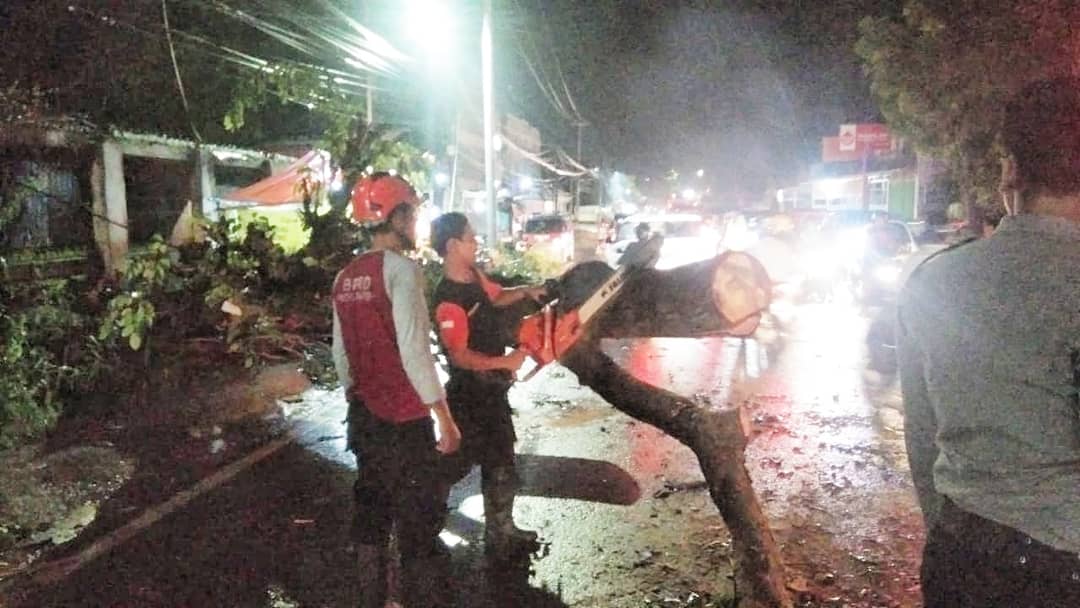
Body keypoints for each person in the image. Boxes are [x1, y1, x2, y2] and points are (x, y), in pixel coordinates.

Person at [897, 77, 1080, 608]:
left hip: (967, 562)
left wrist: (948, 539)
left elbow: (922, 439)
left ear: (1012, 169)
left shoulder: (933, 283)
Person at [331, 173, 461, 608]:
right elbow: (415, 352)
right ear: (396, 215)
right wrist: (442, 416)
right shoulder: (402, 271)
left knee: (371, 510)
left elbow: (341, 357)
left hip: (364, 417)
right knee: (417, 521)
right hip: (405, 420)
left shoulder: (344, 277)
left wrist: (358, 396)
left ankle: (371, 599)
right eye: (412, 212)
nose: (416, 222)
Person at [429, 212, 547, 561]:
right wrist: (504, 362)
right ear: (452, 246)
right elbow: (460, 356)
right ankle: (422, 522)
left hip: (491, 392)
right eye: (470, 237)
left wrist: (528, 290)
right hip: (469, 395)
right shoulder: (449, 298)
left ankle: (501, 532)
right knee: (455, 464)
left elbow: (496, 297)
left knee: (501, 461)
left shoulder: (473, 277)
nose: (476, 241)